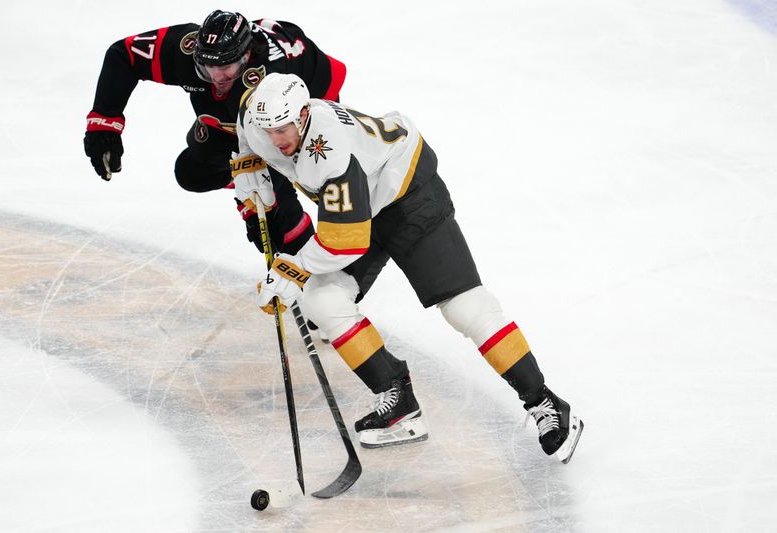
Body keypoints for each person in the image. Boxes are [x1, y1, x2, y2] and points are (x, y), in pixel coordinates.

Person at [233, 73, 584, 463]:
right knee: (323, 300)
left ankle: (545, 402)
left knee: (465, 308)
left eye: (283, 128)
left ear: (303, 115)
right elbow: (247, 119)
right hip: (361, 206)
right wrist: (248, 167)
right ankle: (399, 400)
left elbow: (345, 240)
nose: (277, 139)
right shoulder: (257, 119)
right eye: (269, 129)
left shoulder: (329, 150)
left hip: (409, 196)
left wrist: (290, 270)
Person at [83, 10, 346, 255]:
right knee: (191, 172)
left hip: (309, 103)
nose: (217, 77)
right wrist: (104, 124)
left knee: (282, 213)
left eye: (225, 67)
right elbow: (124, 55)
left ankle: (323, 289)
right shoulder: (186, 49)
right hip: (239, 118)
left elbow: (268, 150)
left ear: (246, 57)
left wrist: (256, 205)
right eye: (208, 67)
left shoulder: (267, 84)